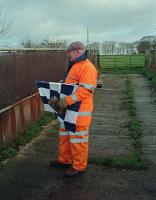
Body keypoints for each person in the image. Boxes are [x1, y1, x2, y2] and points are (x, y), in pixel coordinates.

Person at [49, 41, 98, 177]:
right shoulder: (75, 65)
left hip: (80, 111)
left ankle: (79, 166)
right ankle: (64, 160)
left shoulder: (87, 67)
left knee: (78, 139)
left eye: (69, 52)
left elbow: (86, 90)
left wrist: (66, 101)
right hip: (69, 109)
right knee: (64, 136)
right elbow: (70, 85)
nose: (68, 55)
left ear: (77, 51)